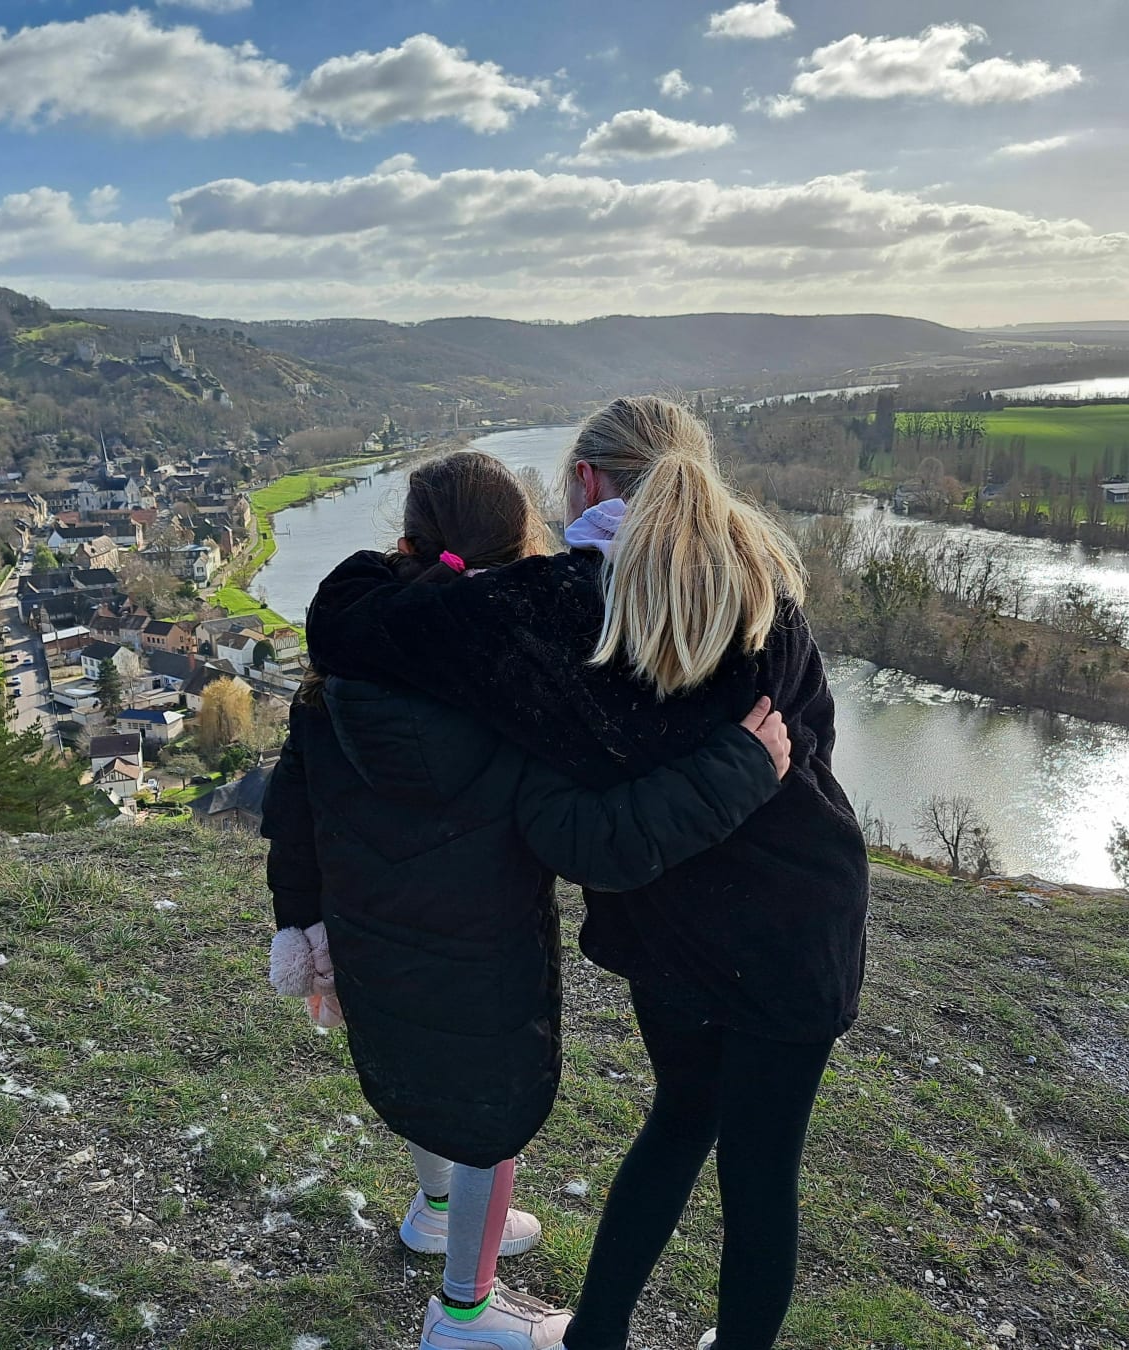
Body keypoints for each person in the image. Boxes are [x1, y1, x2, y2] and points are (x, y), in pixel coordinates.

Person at [304, 397, 870, 1350]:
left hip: (669, 920)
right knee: (764, 1172)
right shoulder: (764, 591)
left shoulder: (550, 609)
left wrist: (436, 560)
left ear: (583, 483)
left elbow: (345, 620)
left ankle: (595, 1336)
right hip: (800, 920)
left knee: (679, 1119)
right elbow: (805, 743)